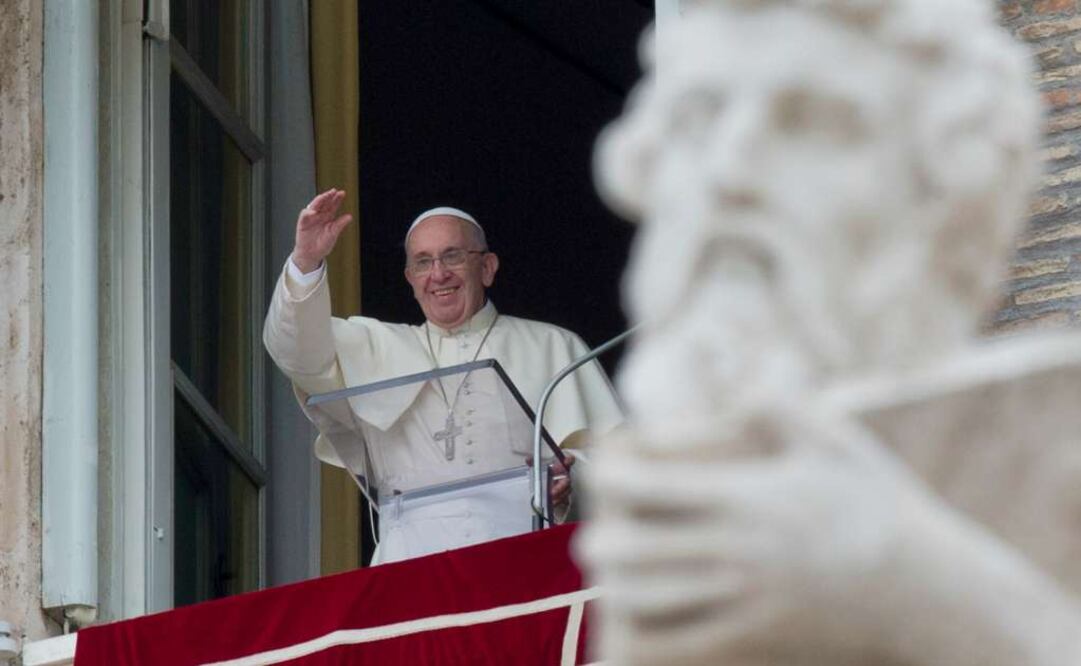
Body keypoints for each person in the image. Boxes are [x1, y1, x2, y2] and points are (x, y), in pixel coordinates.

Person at [577, 0, 1081, 664]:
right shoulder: (672, 485)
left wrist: (911, 581)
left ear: (948, 196)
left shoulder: (1052, 433)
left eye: (810, 123)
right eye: (700, 118)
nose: (729, 172)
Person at [264, 190, 623, 564]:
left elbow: (617, 464)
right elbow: (295, 351)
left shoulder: (552, 345)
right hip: (409, 567)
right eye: (423, 262)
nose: (438, 274)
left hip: (523, 561)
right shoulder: (375, 345)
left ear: (487, 267)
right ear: (410, 277)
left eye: (452, 256)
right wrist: (305, 261)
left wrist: (572, 482)